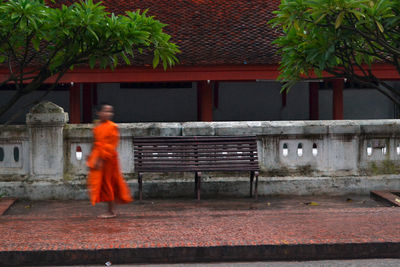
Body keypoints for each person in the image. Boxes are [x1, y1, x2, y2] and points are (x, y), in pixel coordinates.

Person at [86, 103, 133, 218]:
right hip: (98, 157)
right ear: (99, 113)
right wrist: (92, 157)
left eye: (110, 111)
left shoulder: (112, 127)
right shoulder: (97, 126)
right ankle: (110, 209)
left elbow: (112, 145)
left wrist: (100, 159)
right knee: (101, 183)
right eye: (106, 111)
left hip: (109, 159)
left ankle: (111, 211)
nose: (108, 114)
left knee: (108, 183)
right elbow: (95, 142)